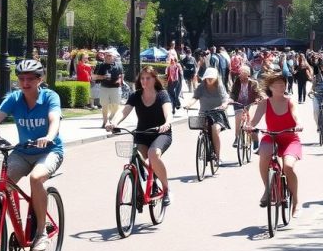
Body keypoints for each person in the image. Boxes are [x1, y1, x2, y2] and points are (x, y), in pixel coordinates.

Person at [0, 59, 63, 251]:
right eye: (21, 79)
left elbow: (54, 119)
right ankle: (18, 227)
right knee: (5, 182)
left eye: (30, 79)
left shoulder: (50, 97)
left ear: (39, 80)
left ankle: (41, 232)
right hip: (23, 151)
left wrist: (49, 136)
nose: (25, 83)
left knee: (36, 179)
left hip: (49, 150)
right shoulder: (15, 98)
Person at [106, 66, 174, 206]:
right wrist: (113, 122)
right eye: (142, 78)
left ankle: (166, 189)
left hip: (160, 133)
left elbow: (168, 111)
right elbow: (124, 112)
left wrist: (167, 123)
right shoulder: (136, 95)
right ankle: (142, 187)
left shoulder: (162, 94)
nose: (144, 81)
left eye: (148, 78)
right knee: (135, 158)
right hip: (142, 134)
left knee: (153, 154)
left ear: (154, 79)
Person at [245, 73, 303, 215]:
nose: (281, 87)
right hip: (271, 136)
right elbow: (255, 120)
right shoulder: (265, 103)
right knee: (264, 153)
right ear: (270, 87)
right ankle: (268, 189)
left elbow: (295, 116)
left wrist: (298, 124)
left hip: (290, 138)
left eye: (283, 84)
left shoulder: (290, 101)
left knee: (288, 167)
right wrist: (249, 125)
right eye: (277, 85)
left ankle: (296, 201)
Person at [184, 67, 231, 164]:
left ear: (216, 78)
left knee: (215, 129)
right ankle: (205, 147)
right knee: (204, 130)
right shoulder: (201, 86)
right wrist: (188, 105)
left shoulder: (219, 86)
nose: (209, 80)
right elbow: (195, 97)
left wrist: (224, 105)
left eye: (211, 78)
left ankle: (218, 157)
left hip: (217, 114)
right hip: (204, 113)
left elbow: (225, 99)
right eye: (207, 78)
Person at [231, 65, 263, 152]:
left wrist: (257, 99)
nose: (240, 76)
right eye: (240, 73)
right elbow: (233, 92)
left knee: (251, 123)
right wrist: (231, 99)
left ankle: (255, 141)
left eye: (242, 74)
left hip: (250, 104)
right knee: (238, 117)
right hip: (239, 104)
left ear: (247, 74)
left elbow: (258, 94)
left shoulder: (253, 83)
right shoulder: (237, 81)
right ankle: (237, 138)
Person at [92, 49, 124, 129]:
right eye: (106, 55)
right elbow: (94, 77)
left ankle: (110, 118)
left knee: (116, 105)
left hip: (116, 88)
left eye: (109, 55)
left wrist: (120, 81)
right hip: (104, 87)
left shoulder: (119, 65)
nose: (107, 57)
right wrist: (103, 77)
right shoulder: (101, 65)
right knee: (104, 105)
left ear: (113, 57)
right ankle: (105, 122)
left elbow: (121, 74)